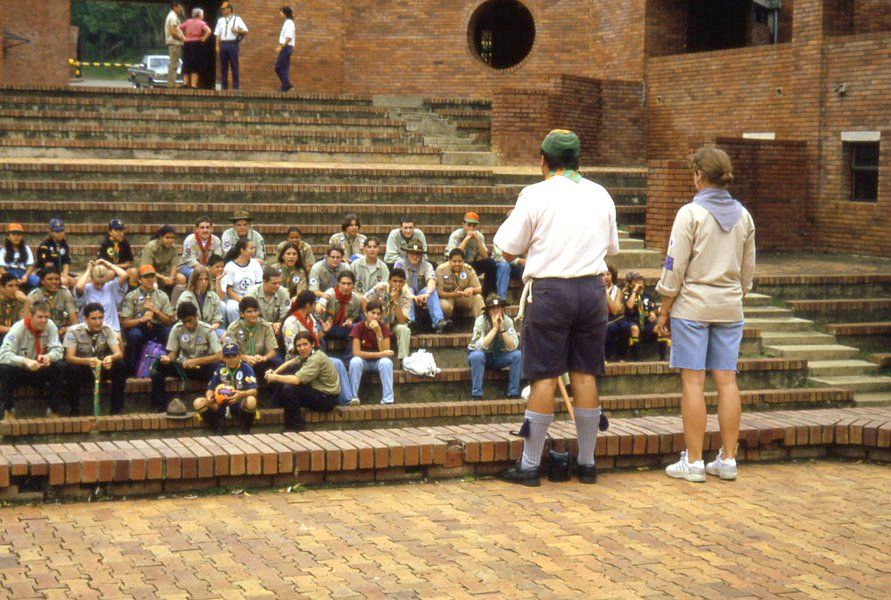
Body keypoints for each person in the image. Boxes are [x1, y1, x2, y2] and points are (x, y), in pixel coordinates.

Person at [493, 129, 619, 486]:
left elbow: (506, 249)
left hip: (551, 291)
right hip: (592, 290)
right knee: (585, 373)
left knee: (545, 375)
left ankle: (530, 465)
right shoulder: (600, 193)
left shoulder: (536, 193)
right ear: (578, 160)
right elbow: (611, 248)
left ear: (543, 161)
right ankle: (588, 463)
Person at [656, 147, 756, 483]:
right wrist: (735, 295)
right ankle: (728, 459)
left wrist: (664, 308)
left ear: (699, 175)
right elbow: (748, 270)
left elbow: (674, 265)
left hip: (693, 306)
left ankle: (695, 461)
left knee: (693, 382)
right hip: (729, 306)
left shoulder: (690, 213)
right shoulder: (744, 216)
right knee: (727, 381)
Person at [281, 290, 354, 401]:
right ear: (308, 305)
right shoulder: (291, 322)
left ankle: (347, 398)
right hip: (297, 360)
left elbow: (313, 341)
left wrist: (324, 331)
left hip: (313, 357)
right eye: (314, 303)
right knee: (336, 363)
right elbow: (292, 349)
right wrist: (313, 357)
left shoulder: (311, 319)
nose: (316, 306)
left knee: (338, 363)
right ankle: (346, 400)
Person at [152, 302, 223, 413]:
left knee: (218, 368)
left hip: (203, 367)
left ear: (196, 316)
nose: (187, 325)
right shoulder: (177, 329)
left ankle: (214, 403)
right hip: (184, 367)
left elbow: (219, 355)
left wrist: (197, 361)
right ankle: (159, 405)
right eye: (184, 322)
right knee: (158, 367)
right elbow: (173, 353)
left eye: (190, 321)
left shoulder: (207, 329)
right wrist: (168, 359)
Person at [0, 301, 65, 419]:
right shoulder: (18, 328)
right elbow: (3, 354)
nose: (44, 320)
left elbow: (58, 349)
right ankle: (9, 411)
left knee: (60, 366)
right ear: (30, 316)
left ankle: (53, 410)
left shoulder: (50, 326)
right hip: (21, 370)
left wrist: (49, 357)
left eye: (46, 317)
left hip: (41, 368)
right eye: (40, 317)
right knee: (4, 369)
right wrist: (25, 361)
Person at [267, 331, 342, 431]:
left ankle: (296, 427)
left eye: (305, 344)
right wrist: (274, 372)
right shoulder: (308, 354)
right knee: (287, 377)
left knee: (289, 389)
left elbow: (296, 380)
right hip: (318, 392)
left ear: (313, 344)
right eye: (299, 346)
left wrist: (275, 377)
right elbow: (290, 362)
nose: (302, 348)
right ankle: (272, 410)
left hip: (328, 399)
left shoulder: (316, 359)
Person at [62, 302, 126, 416]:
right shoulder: (73, 331)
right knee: (72, 369)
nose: (98, 322)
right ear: (85, 319)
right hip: (83, 367)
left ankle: (117, 409)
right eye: (94, 319)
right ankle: (74, 410)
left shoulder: (107, 329)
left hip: (100, 366)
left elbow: (118, 353)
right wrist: (87, 361)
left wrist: (110, 358)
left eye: (101, 318)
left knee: (120, 365)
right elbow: (69, 357)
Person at [194, 342, 258, 433]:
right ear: (223, 358)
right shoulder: (220, 369)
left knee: (251, 401)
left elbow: (254, 391)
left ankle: (246, 430)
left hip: (239, 403)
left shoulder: (246, 368)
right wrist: (209, 396)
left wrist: (241, 394)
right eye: (228, 357)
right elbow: (210, 389)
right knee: (198, 402)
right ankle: (217, 429)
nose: (231, 359)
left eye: (234, 356)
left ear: (239, 356)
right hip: (221, 403)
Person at [121, 265, 175, 373]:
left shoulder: (162, 296)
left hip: (156, 326)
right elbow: (125, 323)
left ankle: (168, 366)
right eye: (146, 277)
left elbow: (169, 320)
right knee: (134, 335)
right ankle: (132, 369)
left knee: (169, 333)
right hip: (138, 326)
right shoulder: (131, 296)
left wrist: (157, 311)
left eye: (152, 276)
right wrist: (141, 320)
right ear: (140, 280)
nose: (150, 279)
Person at [467, 294, 521, 401]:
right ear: (488, 310)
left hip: (498, 357)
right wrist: (494, 329)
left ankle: (513, 393)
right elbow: (478, 345)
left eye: (498, 308)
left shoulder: (508, 321)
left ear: (503, 309)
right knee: (477, 356)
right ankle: (477, 395)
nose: (496, 311)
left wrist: (502, 329)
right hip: (481, 356)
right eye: (492, 308)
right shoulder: (480, 321)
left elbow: (513, 346)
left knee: (517, 355)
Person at [224, 296, 283, 389]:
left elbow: (273, 350)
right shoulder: (233, 328)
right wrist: (244, 357)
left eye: (255, 311)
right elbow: (228, 352)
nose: (253, 314)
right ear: (242, 314)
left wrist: (264, 357)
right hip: (240, 362)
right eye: (249, 312)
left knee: (278, 361)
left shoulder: (265, 326)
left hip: (260, 362)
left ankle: (273, 394)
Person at [445, 212, 504, 297]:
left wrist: (478, 241)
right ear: (463, 224)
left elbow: (485, 256)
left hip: (470, 265)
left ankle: (489, 294)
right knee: (455, 262)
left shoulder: (479, 236)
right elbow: (454, 255)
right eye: (469, 225)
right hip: (455, 264)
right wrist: (466, 240)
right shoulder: (456, 235)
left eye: (474, 226)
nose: (471, 228)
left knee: (490, 262)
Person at [394, 243, 448, 332]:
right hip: (405, 293)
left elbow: (431, 280)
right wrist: (411, 295)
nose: (414, 256)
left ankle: (439, 322)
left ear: (421, 255)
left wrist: (427, 294)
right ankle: (409, 322)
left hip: (420, 294)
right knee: (409, 289)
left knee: (431, 291)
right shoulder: (400, 264)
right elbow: (401, 283)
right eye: (412, 253)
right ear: (407, 253)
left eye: (418, 254)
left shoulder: (427, 265)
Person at [348, 301, 394, 405]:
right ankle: (352, 397)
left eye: (378, 314)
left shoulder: (383, 327)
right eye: (373, 313)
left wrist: (378, 332)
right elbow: (356, 353)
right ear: (366, 313)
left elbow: (386, 353)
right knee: (355, 361)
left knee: (386, 362)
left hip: (378, 363)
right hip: (363, 362)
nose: (375, 316)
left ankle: (387, 400)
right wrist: (379, 354)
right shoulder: (359, 327)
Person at [364, 268, 412, 363]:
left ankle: (404, 361)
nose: (397, 284)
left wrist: (396, 301)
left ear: (404, 283)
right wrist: (370, 317)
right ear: (389, 281)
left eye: (400, 282)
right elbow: (364, 300)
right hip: (378, 322)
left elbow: (402, 320)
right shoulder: (380, 288)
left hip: (394, 324)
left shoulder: (406, 294)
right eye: (395, 281)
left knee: (404, 329)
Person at [316, 270, 365, 358]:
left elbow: (354, 316)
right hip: (324, 326)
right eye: (343, 283)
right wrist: (320, 306)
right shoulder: (330, 293)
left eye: (349, 284)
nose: (346, 287)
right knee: (315, 330)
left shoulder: (356, 299)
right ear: (338, 283)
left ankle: (347, 360)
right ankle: (322, 359)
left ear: (353, 285)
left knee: (357, 330)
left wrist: (350, 320)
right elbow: (321, 302)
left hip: (342, 327)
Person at [75, 260, 129, 333]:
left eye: (102, 283)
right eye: (97, 283)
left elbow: (124, 275)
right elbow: (79, 287)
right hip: (89, 329)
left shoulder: (110, 287)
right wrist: (89, 270)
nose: (99, 286)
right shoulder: (86, 288)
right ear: (91, 278)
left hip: (111, 328)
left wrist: (108, 264)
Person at [622, 271, 665, 361]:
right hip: (632, 321)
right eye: (636, 281)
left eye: (641, 280)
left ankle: (663, 358)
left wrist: (653, 313)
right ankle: (636, 359)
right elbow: (629, 306)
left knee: (660, 329)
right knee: (635, 328)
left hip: (646, 322)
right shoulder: (627, 294)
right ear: (630, 284)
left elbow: (653, 308)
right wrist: (634, 291)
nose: (639, 282)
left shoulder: (648, 296)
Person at [221, 238, 264, 325]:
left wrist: (250, 301)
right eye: (250, 248)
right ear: (242, 250)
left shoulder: (255, 264)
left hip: (253, 297)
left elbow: (259, 285)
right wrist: (243, 302)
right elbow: (229, 290)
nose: (253, 250)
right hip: (235, 298)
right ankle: (237, 329)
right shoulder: (230, 266)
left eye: (253, 248)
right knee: (231, 308)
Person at [28, 267, 77, 341]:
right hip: (41, 332)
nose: (54, 282)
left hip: (61, 332)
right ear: (42, 281)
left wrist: (67, 329)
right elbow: (29, 321)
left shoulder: (64, 292)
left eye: (57, 279)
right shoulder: (35, 295)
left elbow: (74, 320)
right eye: (50, 279)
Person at [436, 248, 484, 322]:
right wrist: (453, 294)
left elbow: (480, 288)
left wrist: (472, 289)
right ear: (449, 261)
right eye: (454, 261)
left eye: (460, 261)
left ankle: (482, 323)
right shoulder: (441, 270)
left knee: (478, 298)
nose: (457, 264)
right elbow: (439, 293)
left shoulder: (468, 269)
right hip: (446, 298)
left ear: (463, 261)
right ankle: (444, 324)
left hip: (462, 297)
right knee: (444, 307)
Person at [177, 265, 224, 338]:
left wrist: (210, 330)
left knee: (225, 335)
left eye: (206, 279)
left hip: (211, 330)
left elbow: (217, 320)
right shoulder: (185, 297)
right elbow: (182, 322)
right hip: (191, 332)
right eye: (200, 279)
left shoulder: (214, 297)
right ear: (194, 281)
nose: (203, 282)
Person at [245, 266, 290, 335]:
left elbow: (286, 314)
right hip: (257, 328)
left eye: (279, 283)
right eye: (274, 283)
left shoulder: (283, 292)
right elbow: (250, 317)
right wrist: (271, 325)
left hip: (278, 328)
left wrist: (279, 325)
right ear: (264, 282)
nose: (277, 286)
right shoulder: (252, 293)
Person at [215, 2, 248, 91]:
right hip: (223, 44)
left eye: (224, 9)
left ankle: (235, 87)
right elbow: (218, 34)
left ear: (229, 9)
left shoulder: (237, 19)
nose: (222, 11)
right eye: (222, 9)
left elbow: (245, 30)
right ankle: (224, 87)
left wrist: (237, 30)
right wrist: (217, 45)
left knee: (234, 65)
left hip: (233, 43)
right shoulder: (220, 20)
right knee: (223, 66)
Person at [141, 225, 185, 291]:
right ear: (161, 237)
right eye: (167, 237)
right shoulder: (151, 247)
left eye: (172, 238)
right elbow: (147, 269)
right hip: (149, 274)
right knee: (153, 281)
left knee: (181, 278)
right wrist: (163, 278)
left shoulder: (174, 248)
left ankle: (175, 297)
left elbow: (174, 265)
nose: (170, 240)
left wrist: (172, 277)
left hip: (164, 273)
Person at [179, 216, 222, 283]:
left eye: (207, 227)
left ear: (211, 229)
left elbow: (217, 258)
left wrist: (211, 269)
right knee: (197, 274)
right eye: (202, 228)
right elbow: (190, 259)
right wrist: (205, 270)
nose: (205, 230)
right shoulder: (189, 240)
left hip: (208, 267)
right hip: (188, 267)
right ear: (196, 229)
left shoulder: (216, 240)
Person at [36, 218, 75, 288]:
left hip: (61, 273)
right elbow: (48, 265)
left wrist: (65, 275)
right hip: (47, 274)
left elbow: (66, 263)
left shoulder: (64, 245)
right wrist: (62, 276)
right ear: (51, 232)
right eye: (57, 231)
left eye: (62, 231)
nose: (60, 233)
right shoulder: (45, 246)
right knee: (64, 281)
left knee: (77, 282)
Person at [179, 7, 212, 89]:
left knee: (186, 62)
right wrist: (203, 38)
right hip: (197, 43)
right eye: (202, 14)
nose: (203, 15)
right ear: (199, 14)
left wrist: (182, 37)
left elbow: (178, 28)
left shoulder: (188, 22)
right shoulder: (201, 23)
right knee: (195, 63)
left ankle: (185, 83)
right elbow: (208, 31)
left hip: (187, 43)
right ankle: (193, 84)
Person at [0, 223, 39, 291]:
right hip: (9, 273)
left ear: (22, 237)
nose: (16, 237)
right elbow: (1, 268)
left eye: (19, 234)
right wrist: (11, 278)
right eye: (13, 234)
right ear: (8, 237)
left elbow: (30, 265)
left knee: (37, 280)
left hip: (23, 273)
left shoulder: (26, 249)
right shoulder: (4, 250)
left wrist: (26, 275)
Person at [603, 263, 627, 361]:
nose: (605, 277)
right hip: (600, 318)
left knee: (625, 326)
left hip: (614, 317)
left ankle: (622, 357)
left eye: (608, 274)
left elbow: (615, 310)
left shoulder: (616, 290)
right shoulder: (594, 289)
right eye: (602, 275)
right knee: (611, 328)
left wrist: (607, 295)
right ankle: (606, 357)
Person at [0, 273, 28, 341]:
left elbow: (24, 323)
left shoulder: (20, 301)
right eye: (10, 286)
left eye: (16, 286)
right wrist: (13, 330)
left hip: (14, 336)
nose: (14, 289)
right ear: (2, 288)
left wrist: (26, 302)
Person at [275, 6, 296, 93]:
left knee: (278, 67)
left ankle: (287, 85)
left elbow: (289, 37)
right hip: (287, 47)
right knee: (284, 67)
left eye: (281, 12)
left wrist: (281, 46)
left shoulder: (288, 23)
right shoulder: (288, 22)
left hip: (286, 47)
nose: (280, 14)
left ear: (285, 14)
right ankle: (286, 85)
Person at [164, 2, 184, 88]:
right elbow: (173, 32)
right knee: (174, 64)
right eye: (179, 7)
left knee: (173, 63)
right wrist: (181, 38)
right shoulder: (173, 17)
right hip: (174, 43)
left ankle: (171, 83)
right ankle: (171, 85)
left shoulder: (171, 16)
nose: (180, 9)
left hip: (173, 43)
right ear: (175, 7)